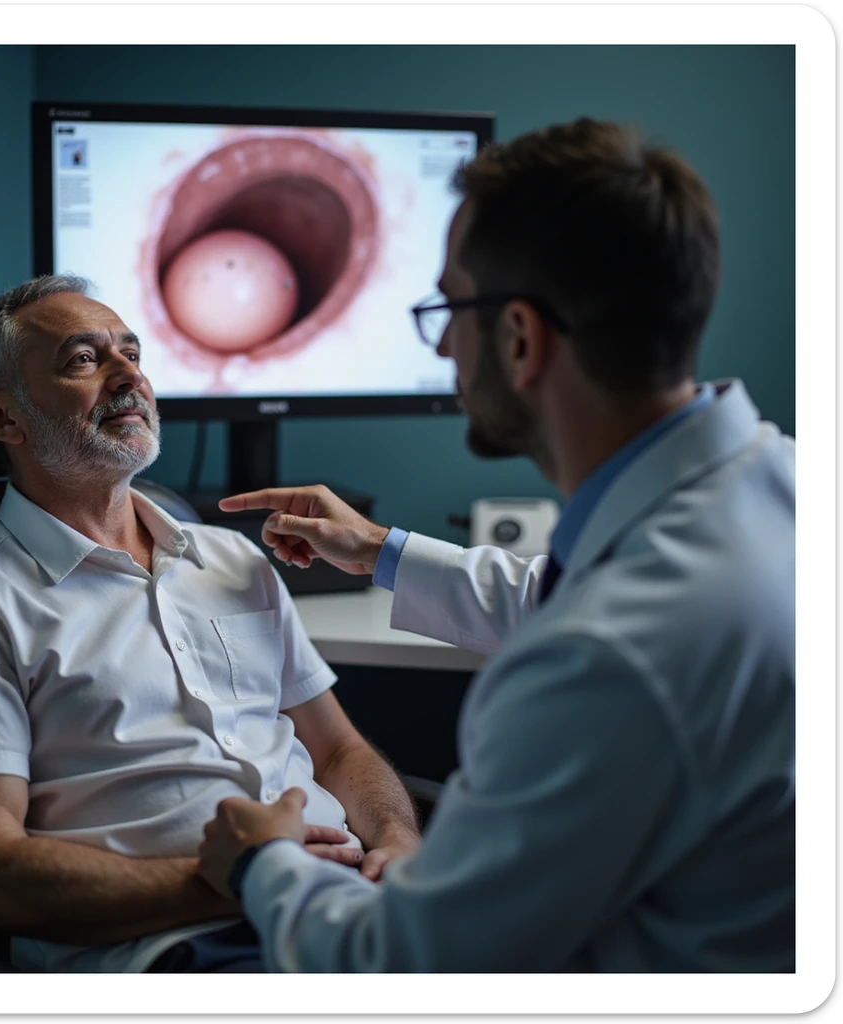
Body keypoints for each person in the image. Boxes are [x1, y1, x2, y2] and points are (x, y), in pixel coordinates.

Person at [196, 118, 796, 972]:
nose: (442, 345)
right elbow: (570, 596)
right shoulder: (778, 483)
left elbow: (411, 965)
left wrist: (263, 864)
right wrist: (381, 550)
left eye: (449, 310)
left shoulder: (606, 655)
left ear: (519, 338)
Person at [0, 275, 422, 973]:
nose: (130, 376)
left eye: (132, 353)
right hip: (189, 949)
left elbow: (340, 753)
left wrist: (400, 840)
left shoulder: (230, 558)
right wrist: (234, 882)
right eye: (83, 360)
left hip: (358, 912)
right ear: (3, 419)